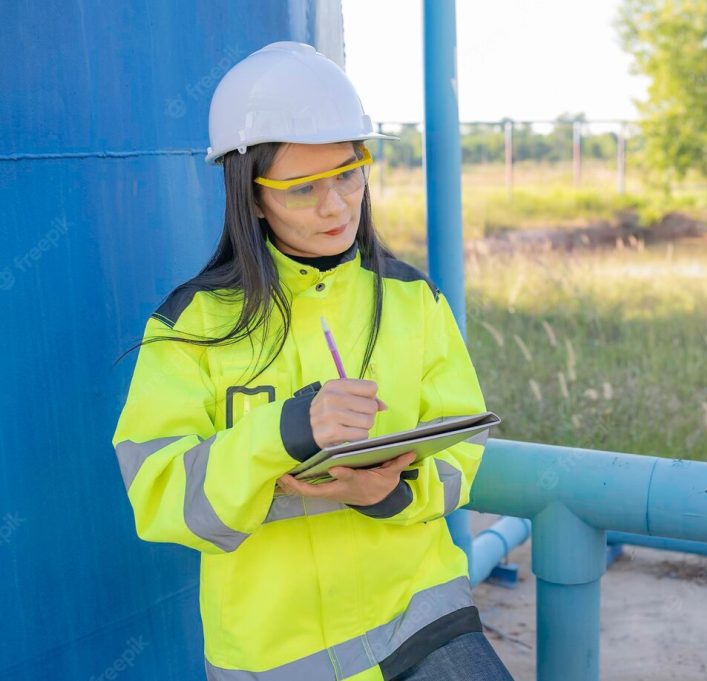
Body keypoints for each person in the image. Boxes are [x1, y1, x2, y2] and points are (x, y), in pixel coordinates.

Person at [112, 41, 514, 681]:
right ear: (250, 195)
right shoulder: (193, 325)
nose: (335, 206)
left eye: (349, 173)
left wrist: (393, 491)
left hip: (421, 615)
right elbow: (157, 494)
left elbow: (461, 453)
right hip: (277, 656)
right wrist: (283, 433)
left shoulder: (413, 302)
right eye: (302, 188)